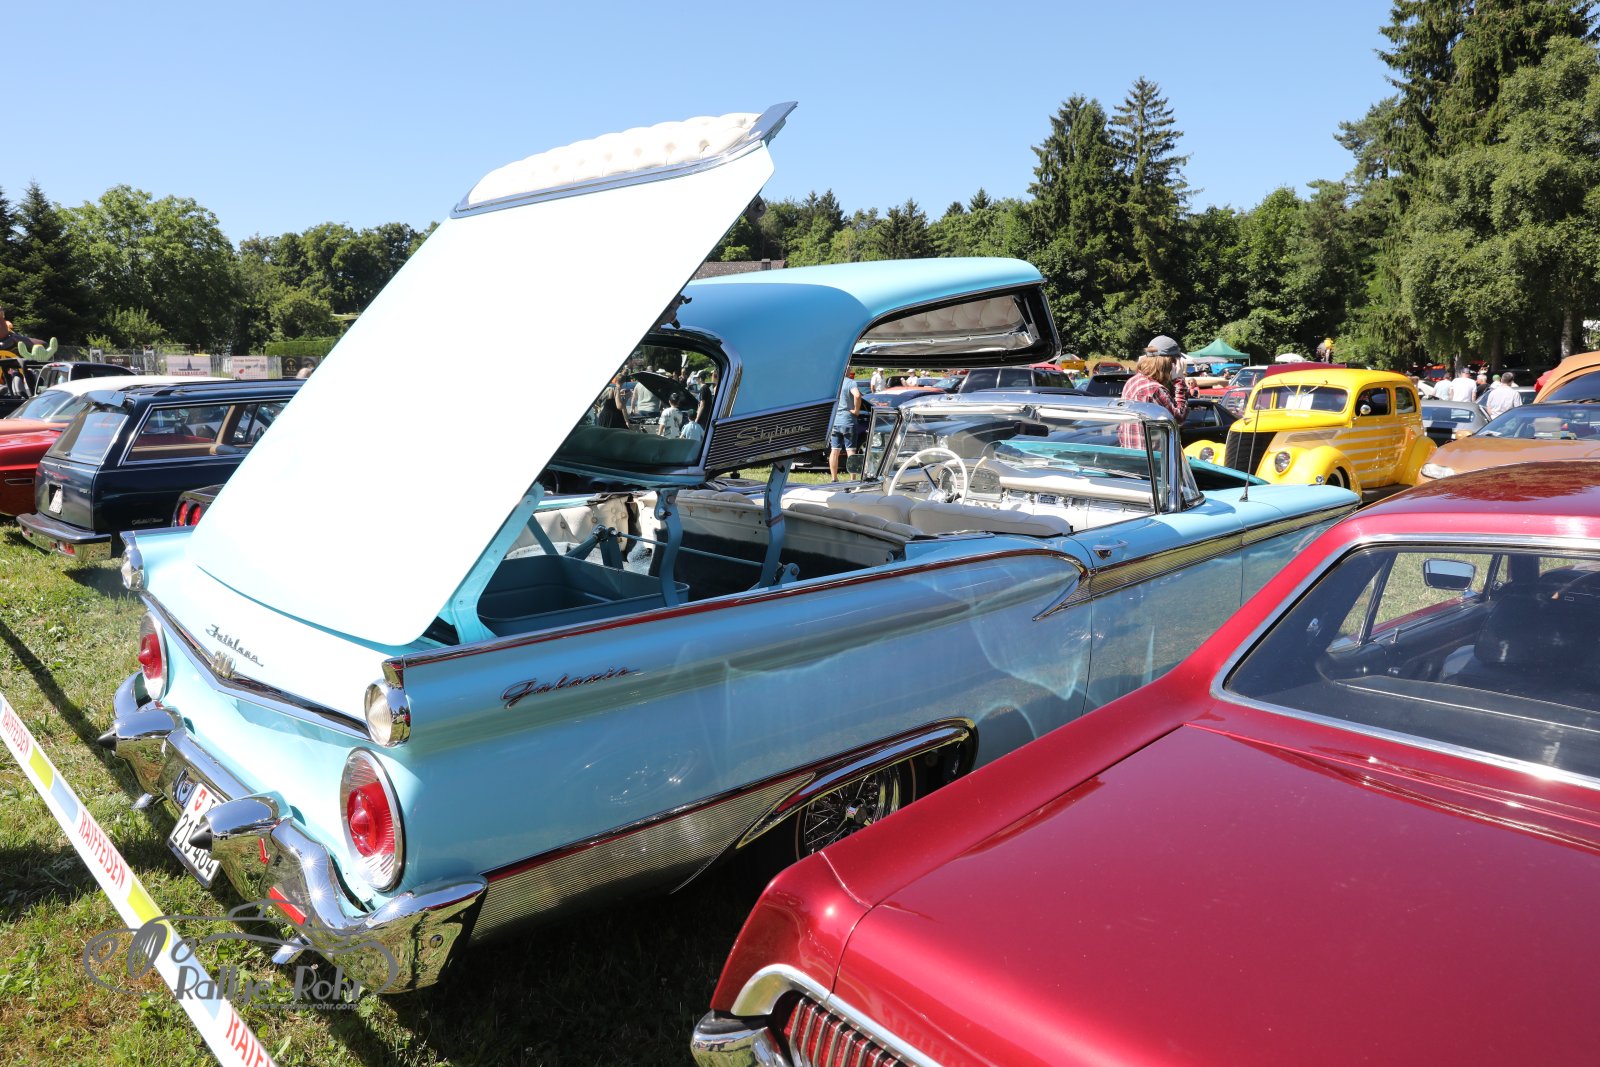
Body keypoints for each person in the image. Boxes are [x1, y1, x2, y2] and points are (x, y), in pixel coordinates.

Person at [1119, 335, 1192, 447]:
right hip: (1151, 456)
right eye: (1175, 362)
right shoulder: (1155, 390)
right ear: (1168, 363)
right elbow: (1179, 418)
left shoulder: (1132, 381)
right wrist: (1179, 380)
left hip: (1131, 453)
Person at [829, 370, 863, 481]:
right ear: (846, 370)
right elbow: (857, 395)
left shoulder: (834, 383)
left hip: (835, 421)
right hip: (848, 421)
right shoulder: (850, 382)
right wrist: (856, 411)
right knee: (850, 451)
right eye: (850, 368)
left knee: (834, 451)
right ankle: (853, 479)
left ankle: (834, 478)